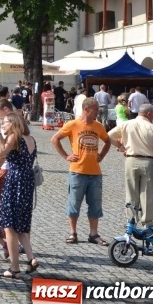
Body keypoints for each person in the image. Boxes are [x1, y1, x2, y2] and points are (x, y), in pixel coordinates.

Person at [50, 98, 112, 246]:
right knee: (74, 203)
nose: (98, 111)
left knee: (95, 205)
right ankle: (73, 232)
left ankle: (93, 233)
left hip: (95, 173)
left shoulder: (98, 126)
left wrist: (101, 156)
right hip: (77, 171)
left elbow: (108, 141)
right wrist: (66, 156)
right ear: (86, 109)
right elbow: (55, 139)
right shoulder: (73, 124)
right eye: (95, 109)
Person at [0, 112, 39, 278]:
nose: (3, 125)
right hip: (27, 181)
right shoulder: (30, 139)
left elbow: (0, 153)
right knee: (21, 226)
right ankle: (31, 259)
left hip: (15, 180)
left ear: (13, 124)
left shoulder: (13, 137)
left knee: (9, 226)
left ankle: (14, 268)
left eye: (5, 123)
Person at [107, 103, 153, 226]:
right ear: (149, 114)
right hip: (148, 162)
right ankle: (147, 222)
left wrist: (121, 146)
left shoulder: (126, 124)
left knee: (131, 191)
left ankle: (131, 220)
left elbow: (109, 136)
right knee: (147, 193)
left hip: (131, 160)